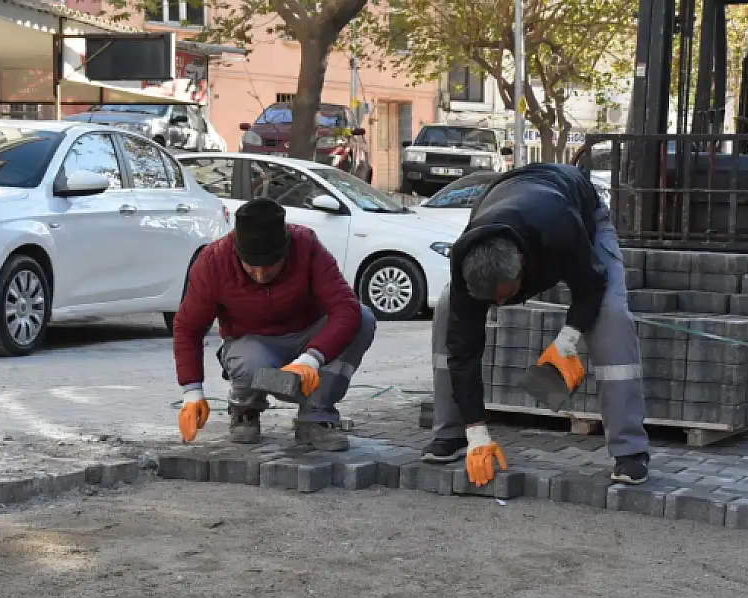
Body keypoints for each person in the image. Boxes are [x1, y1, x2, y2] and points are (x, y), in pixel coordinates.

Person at [423, 162, 651, 487]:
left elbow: (590, 284)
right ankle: (453, 434)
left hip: (578, 211)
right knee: (447, 312)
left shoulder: (559, 230)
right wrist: (477, 430)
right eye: (493, 301)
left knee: (611, 316)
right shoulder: (468, 261)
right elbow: (463, 349)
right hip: (511, 197)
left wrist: (568, 339)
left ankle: (630, 451)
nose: (500, 306)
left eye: (506, 296)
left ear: (523, 269)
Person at [172, 197, 377, 451]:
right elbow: (188, 328)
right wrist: (191, 392)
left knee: (363, 318)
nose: (260, 276)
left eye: (269, 267)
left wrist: (312, 359)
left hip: (307, 338)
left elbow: (346, 307)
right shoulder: (213, 262)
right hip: (253, 344)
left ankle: (315, 416)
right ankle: (245, 407)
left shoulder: (306, 246)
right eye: (251, 268)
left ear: (285, 249)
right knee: (250, 364)